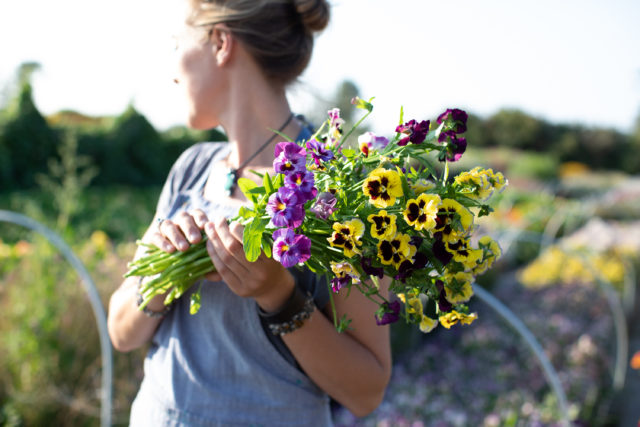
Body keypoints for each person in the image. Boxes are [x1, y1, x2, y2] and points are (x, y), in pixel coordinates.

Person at [106, 0, 392, 425]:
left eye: (176, 46)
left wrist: (278, 294)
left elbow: (366, 392)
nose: (172, 70)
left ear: (221, 43)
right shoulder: (191, 168)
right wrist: (169, 263)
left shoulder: (339, 191)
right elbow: (121, 332)